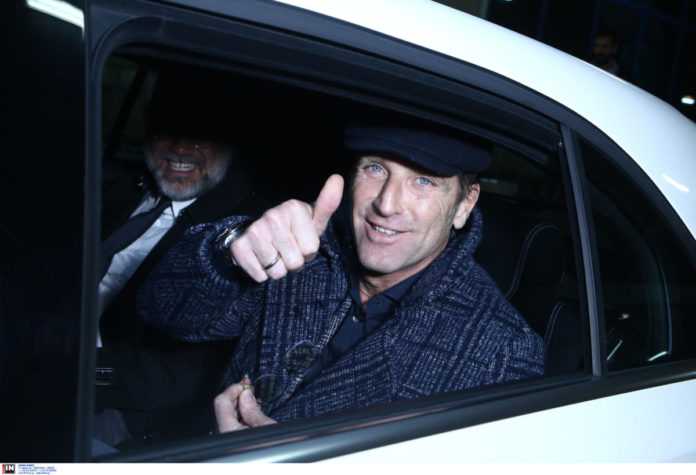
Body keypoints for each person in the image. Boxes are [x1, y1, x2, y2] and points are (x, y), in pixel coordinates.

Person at [139, 126, 544, 433]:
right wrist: (229, 248)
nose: (387, 204)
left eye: (424, 180)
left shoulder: (502, 352)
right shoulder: (302, 251)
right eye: (375, 168)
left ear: (465, 204)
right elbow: (162, 311)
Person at [94, 69, 268, 446]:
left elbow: (182, 376)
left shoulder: (242, 238)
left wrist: (80, 369)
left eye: (202, 134)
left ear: (231, 142)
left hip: (120, 408)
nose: (181, 148)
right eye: (168, 129)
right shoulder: (122, 187)